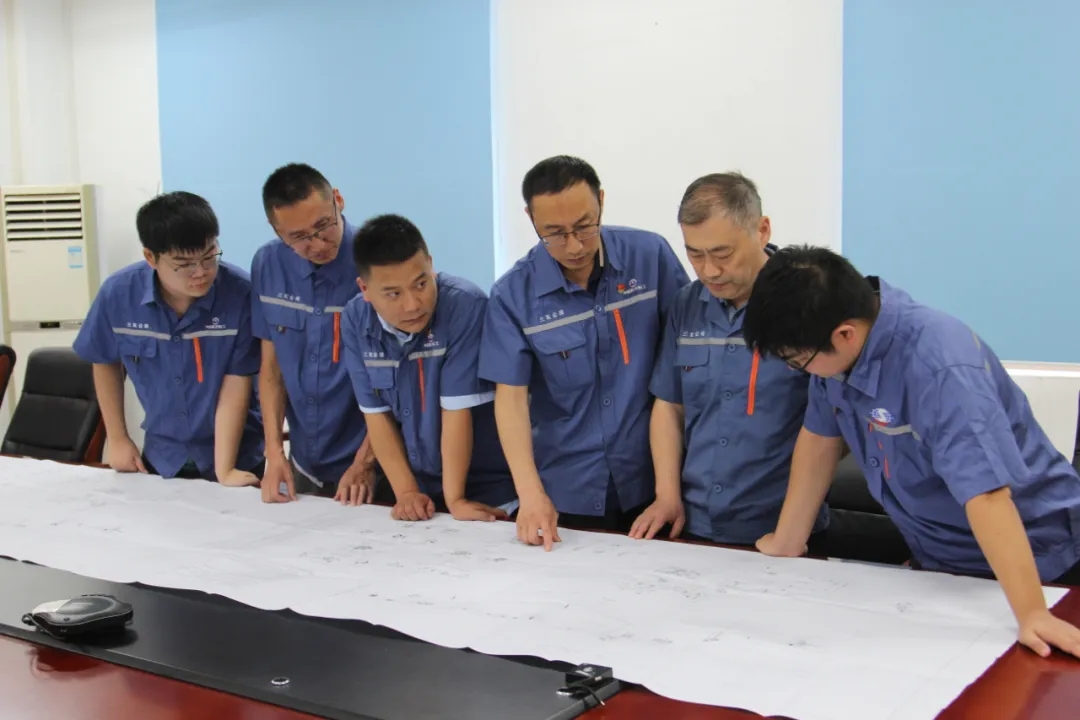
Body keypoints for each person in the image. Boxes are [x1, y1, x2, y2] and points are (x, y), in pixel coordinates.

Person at [742, 244, 1080, 659]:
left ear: (845, 334)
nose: (797, 369)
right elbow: (819, 438)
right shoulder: (835, 345)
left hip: (1037, 564)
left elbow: (988, 495)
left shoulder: (940, 367)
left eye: (797, 361)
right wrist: (787, 540)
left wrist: (1032, 613)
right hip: (940, 565)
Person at [629, 174, 910, 564]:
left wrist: (794, 510)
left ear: (762, 230)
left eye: (722, 253)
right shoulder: (686, 304)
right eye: (695, 254)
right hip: (695, 522)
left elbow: (840, 420)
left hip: (786, 528)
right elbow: (669, 404)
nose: (709, 271)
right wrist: (667, 496)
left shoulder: (809, 301)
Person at [479, 155, 690, 549]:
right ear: (531, 219)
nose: (574, 245)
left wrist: (669, 489)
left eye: (584, 227)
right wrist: (530, 495)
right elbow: (510, 400)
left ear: (601, 202)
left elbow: (682, 364)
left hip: (655, 482)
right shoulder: (512, 296)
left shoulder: (651, 257)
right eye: (555, 233)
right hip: (568, 490)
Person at [74, 191, 264, 484]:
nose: (201, 272)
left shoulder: (240, 294)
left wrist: (225, 470)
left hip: (238, 454)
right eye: (184, 264)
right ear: (151, 257)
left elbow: (237, 382)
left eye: (209, 256)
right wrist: (118, 438)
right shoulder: (118, 294)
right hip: (162, 456)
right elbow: (104, 360)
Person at [341, 214, 519, 522]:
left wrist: (455, 499)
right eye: (393, 293)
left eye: (421, 283)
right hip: (423, 490)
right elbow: (376, 415)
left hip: (486, 489)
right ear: (365, 288)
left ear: (431, 264)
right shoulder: (355, 320)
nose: (413, 304)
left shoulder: (464, 305)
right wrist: (407, 493)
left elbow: (456, 411)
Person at [251, 163, 377, 505]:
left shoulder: (376, 261)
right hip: (304, 462)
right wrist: (274, 452)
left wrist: (365, 462)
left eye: (323, 225)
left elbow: (397, 380)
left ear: (338, 200)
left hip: (373, 464)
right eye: (299, 237)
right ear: (277, 231)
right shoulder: (268, 264)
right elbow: (271, 369)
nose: (318, 243)